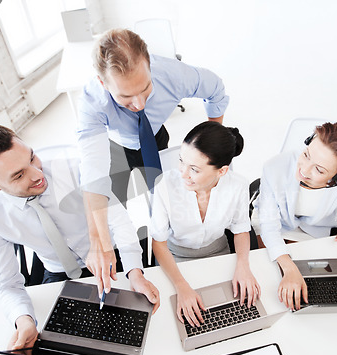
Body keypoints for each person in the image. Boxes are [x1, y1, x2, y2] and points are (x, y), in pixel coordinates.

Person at [0, 123, 160, 351]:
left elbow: (119, 219)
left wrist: (135, 272)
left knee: (143, 328)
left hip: (113, 254)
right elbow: (6, 284)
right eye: (19, 175)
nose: (38, 175)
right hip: (58, 271)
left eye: (32, 158)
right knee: (63, 342)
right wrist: (23, 321)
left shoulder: (73, 166)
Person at [76, 28, 230, 299]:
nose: (138, 103)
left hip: (154, 135)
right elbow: (93, 175)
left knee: (170, 196)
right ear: (103, 84)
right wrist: (98, 240)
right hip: (115, 146)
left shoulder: (174, 74)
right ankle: (133, 263)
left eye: (145, 89)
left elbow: (216, 90)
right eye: (125, 97)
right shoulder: (92, 103)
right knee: (115, 210)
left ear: (150, 66)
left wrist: (210, 141)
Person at [150, 121, 261, 328]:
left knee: (235, 311)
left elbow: (241, 229)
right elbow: (159, 243)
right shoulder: (165, 185)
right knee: (177, 319)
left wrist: (243, 266)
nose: (183, 173)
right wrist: (181, 286)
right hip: (174, 258)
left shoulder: (237, 186)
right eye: (181, 161)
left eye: (194, 169)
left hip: (217, 253)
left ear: (222, 171)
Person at [252, 122, 337, 311]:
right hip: (276, 223)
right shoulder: (275, 168)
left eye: (319, 170)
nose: (304, 170)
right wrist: (289, 268)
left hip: (313, 229)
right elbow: (268, 224)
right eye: (306, 155)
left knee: (315, 282)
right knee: (269, 275)